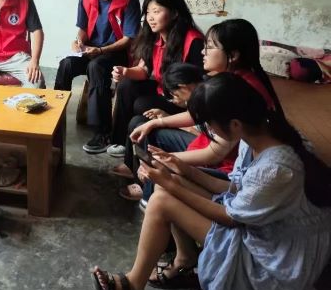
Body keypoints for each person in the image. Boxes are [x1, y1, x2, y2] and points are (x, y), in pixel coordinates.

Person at [92, 73, 331, 290]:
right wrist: (183, 169)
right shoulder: (255, 136)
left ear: (234, 124)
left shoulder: (276, 168)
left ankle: (132, 286)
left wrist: (172, 184)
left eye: (209, 123)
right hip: (257, 224)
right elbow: (235, 189)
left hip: (274, 256)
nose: (208, 130)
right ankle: (184, 260)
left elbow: (231, 217)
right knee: (166, 186)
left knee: (163, 198)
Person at [121, 19, 283, 201]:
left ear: (233, 55)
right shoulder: (229, 78)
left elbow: (215, 154)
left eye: (210, 47)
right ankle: (147, 184)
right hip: (208, 146)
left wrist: (165, 160)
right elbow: (198, 114)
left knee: (160, 161)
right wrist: (157, 122)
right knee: (142, 125)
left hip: (225, 167)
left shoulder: (238, 90)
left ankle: (150, 194)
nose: (202, 52)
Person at [55, 0, 141, 154]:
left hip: (116, 52)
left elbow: (128, 39)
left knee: (97, 67)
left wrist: (101, 51)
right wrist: (79, 41)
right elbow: (83, 27)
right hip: (91, 50)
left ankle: (102, 132)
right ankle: (55, 114)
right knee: (66, 64)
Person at [106, 0, 204, 157]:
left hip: (182, 100)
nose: (150, 17)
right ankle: (120, 142)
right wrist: (125, 71)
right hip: (163, 90)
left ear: (174, 13)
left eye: (156, 12)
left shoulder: (193, 41)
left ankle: (136, 148)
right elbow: (144, 70)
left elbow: (199, 86)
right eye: (148, 12)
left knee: (141, 105)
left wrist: (183, 103)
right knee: (126, 86)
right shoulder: (154, 36)